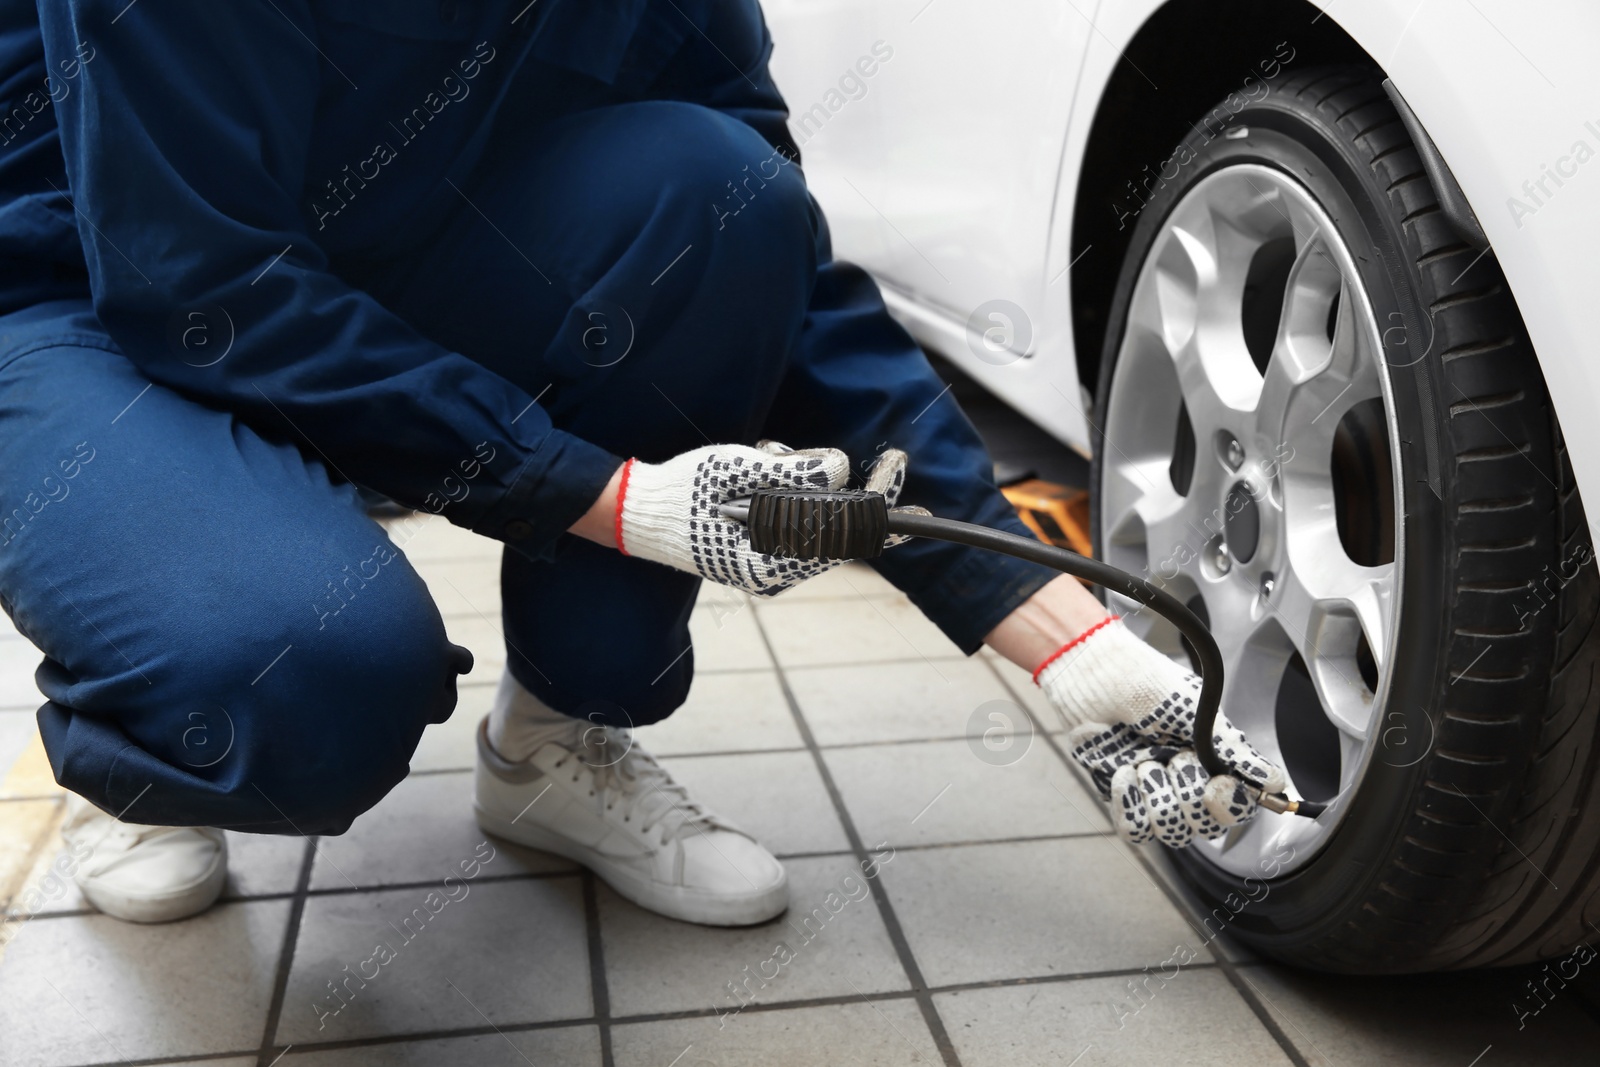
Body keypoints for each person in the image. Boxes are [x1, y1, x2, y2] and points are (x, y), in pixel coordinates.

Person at [0, 0, 1282, 925]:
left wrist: (1056, 634)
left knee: (713, 194)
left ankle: (561, 735)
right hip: (91, 290)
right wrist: (610, 497)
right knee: (295, 673)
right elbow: (202, 286)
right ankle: (157, 735)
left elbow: (777, 256)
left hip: (378, 237)